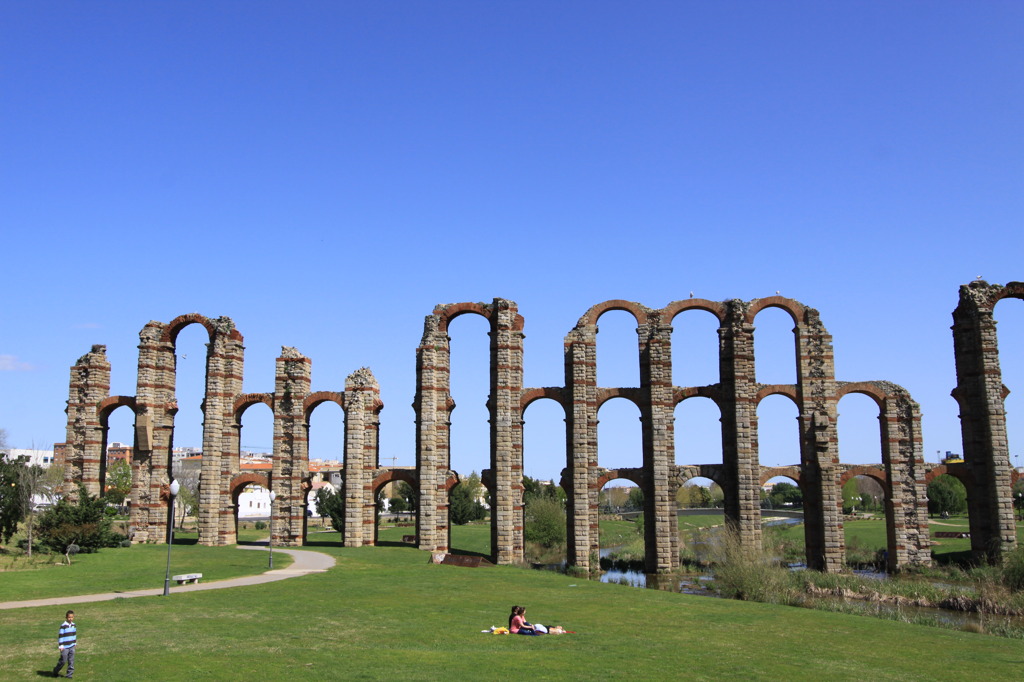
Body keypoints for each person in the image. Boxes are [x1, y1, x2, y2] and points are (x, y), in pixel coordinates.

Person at [53, 609, 76, 678]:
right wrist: (61, 646)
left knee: (71, 661)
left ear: (73, 617)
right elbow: (61, 636)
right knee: (63, 660)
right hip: (65, 647)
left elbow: (74, 634)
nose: (70, 619)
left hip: (72, 646)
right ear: (66, 617)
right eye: (69, 617)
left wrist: (74, 643)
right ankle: (55, 671)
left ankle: (69, 674)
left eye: (72, 617)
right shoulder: (63, 626)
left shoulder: (73, 625)